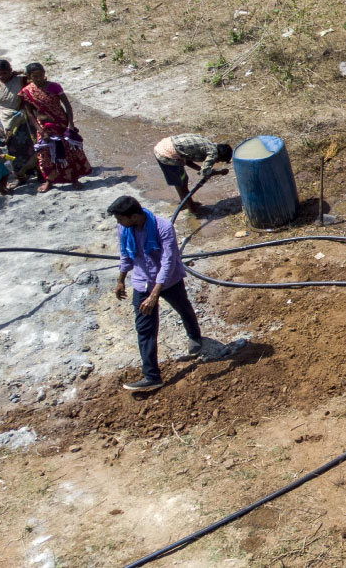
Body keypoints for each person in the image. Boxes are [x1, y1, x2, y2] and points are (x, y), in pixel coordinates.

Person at [109, 195, 206, 392]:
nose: (118, 223)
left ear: (134, 216)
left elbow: (168, 262)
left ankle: (195, 336)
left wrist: (155, 294)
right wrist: (120, 280)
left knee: (183, 308)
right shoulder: (124, 228)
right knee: (144, 328)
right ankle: (152, 376)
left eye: (120, 218)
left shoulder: (163, 228)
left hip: (168, 281)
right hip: (142, 283)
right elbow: (125, 253)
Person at [19, 62, 91, 192]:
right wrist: (40, 130)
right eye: (35, 76)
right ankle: (49, 181)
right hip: (43, 127)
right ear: (29, 77)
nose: (39, 78)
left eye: (41, 75)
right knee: (45, 155)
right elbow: (29, 113)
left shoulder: (55, 86)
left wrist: (71, 124)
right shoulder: (27, 92)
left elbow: (67, 106)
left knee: (68, 152)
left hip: (60, 124)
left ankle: (74, 179)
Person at [153, 134, 233, 213]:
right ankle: (192, 209)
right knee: (182, 184)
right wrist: (220, 172)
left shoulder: (208, 144)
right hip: (167, 154)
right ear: (220, 156)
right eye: (220, 160)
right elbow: (205, 172)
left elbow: (188, 161)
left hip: (162, 147)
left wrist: (202, 169)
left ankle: (185, 203)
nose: (218, 162)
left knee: (181, 181)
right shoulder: (213, 153)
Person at [0, 59, 38, 185]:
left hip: (24, 118)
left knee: (32, 145)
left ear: (10, 70)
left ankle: (39, 171)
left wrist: (19, 72)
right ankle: (21, 175)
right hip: (6, 122)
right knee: (13, 149)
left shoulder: (20, 80)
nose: (2, 76)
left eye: (5, 72)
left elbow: (35, 74)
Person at [0, 125, 12, 195]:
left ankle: (4, 187)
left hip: (1, 162)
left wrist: (8, 137)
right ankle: (2, 191)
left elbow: (3, 144)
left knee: (5, 174)